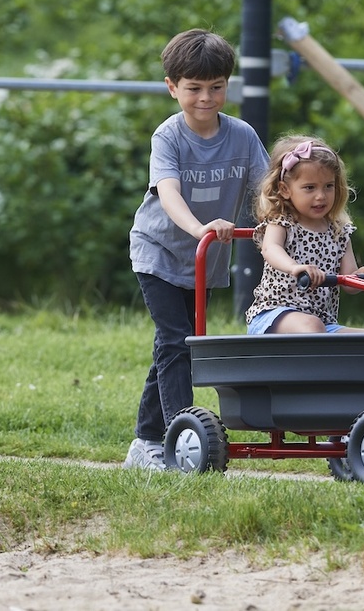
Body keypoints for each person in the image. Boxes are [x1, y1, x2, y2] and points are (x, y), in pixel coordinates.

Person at [125, 28, 269, 470]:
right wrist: (201, 228)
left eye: (216, 87)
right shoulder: (168, 138)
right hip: (159, 253)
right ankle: (179, 444)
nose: (205, 98)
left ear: (228, 85)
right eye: (194, 88)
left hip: (204, 262)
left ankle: (144, 443)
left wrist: (277, 229)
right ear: (172, 88)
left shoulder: (242, 136)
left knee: (175, 345)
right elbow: (168, 194)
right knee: (176, 342)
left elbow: (266, 192)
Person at [245, 134, 364, 334]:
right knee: (312, 326)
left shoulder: (339, 232)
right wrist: (295, 267)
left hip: (322, 323)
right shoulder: (283, 222)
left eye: (328, 186)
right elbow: (271, 249)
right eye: (309, 188)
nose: (320, 196)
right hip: (274, 315)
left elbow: (350, 284)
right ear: (285, 190)